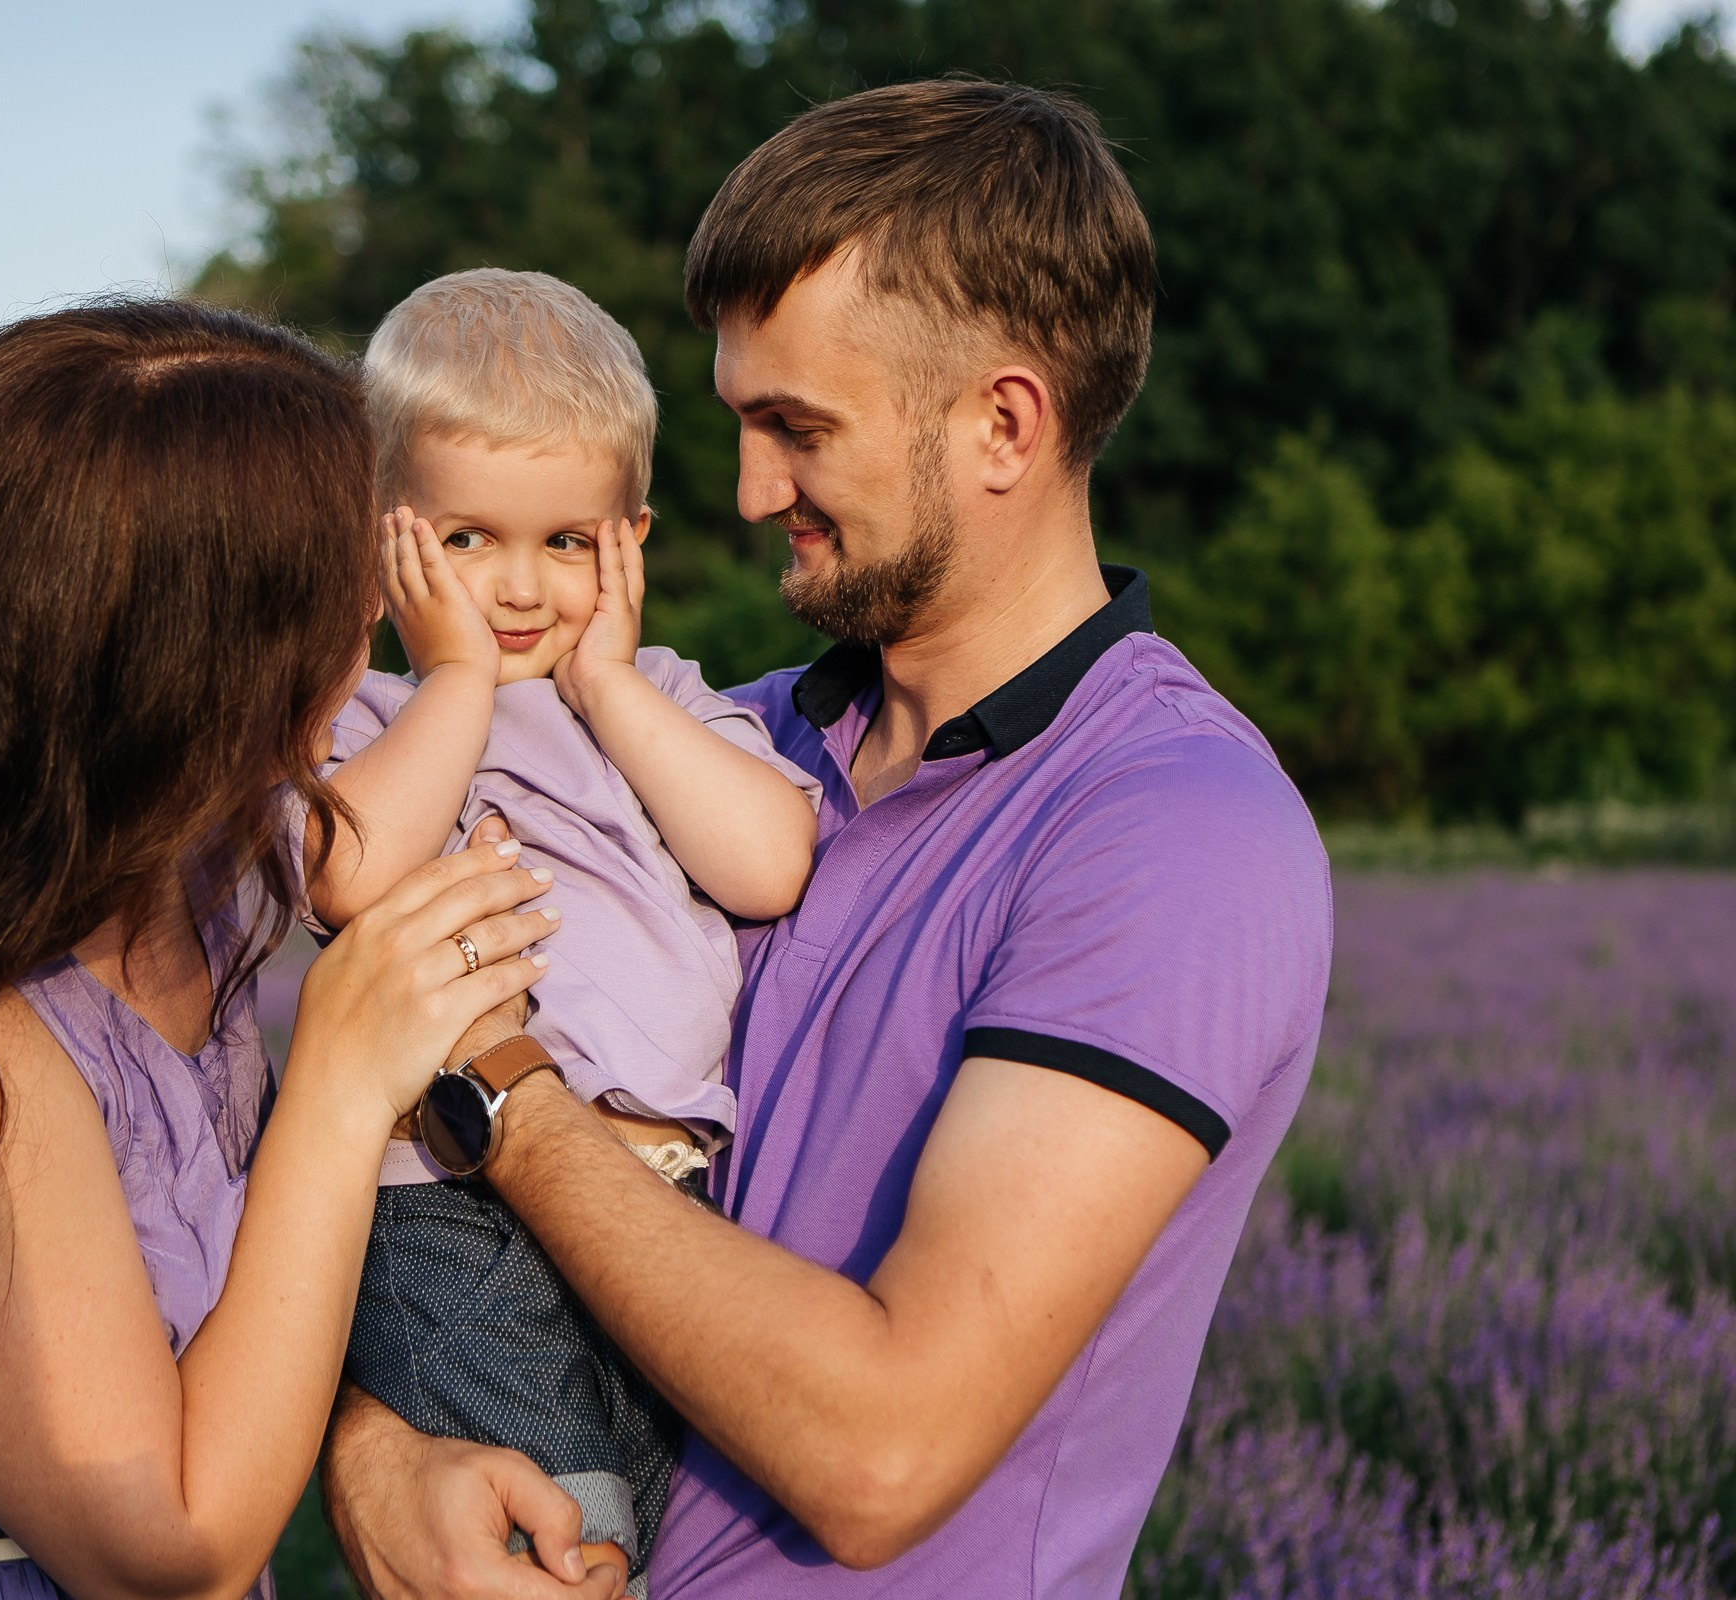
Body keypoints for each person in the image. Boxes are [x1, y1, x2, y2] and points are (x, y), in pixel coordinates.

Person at [321, 79, 1334, 1599]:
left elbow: (880, 1457)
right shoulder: (733, 743)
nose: (746, 493)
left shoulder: (1172, 827)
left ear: (1004, 422)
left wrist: (495, 1079)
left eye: (798, 430)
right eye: (739, 423)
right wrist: (373, 1455)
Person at [0, 300, 567, 1600]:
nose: (374, 619)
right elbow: (166, 1556)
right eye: (336, 587)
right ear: (184, 663)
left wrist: (386, 1452)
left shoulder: (194, 879)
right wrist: (343, 1086)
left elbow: (224, 1341)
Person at [295, 269, 821, 1593]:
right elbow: (347, 880)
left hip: (666, 1207)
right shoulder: (367, 716)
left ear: (630, 538)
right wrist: (460, 680)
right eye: (465, 541)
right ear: (381, 540)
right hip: (454, 1207)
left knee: (653, 1522)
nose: (518, 590)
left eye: (568, 543)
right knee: (559, 1535)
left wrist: (604, 685)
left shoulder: (659, 698)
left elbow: (767, 861)